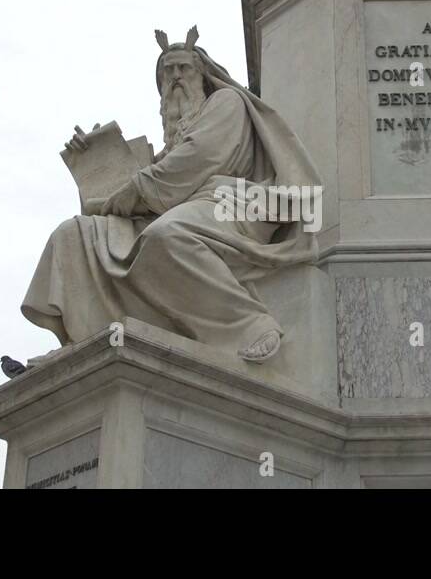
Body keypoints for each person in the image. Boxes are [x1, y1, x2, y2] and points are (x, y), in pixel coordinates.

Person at [20, 27, 322, 365]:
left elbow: (196, 160)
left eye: (183, 68)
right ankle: (82, 341)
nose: (175, 77)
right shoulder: (171, 140)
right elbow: (140, 188)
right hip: (174, 208)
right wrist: (93, 159)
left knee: (167, 236)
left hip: (231, 203)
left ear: (203, 74)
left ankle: (250, 325)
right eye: (167, 72)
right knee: (73, 234)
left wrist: (133, 190)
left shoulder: (226, 102)